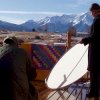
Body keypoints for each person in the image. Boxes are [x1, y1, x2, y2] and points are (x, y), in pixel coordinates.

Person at [79, 3, 100, 99]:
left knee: (94, 73)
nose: (91, 14)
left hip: (96, 52)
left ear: (94, 11)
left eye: (91, 11)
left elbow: (95, 36)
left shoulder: (97, 20)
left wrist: (84, 40)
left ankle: (94, 93)